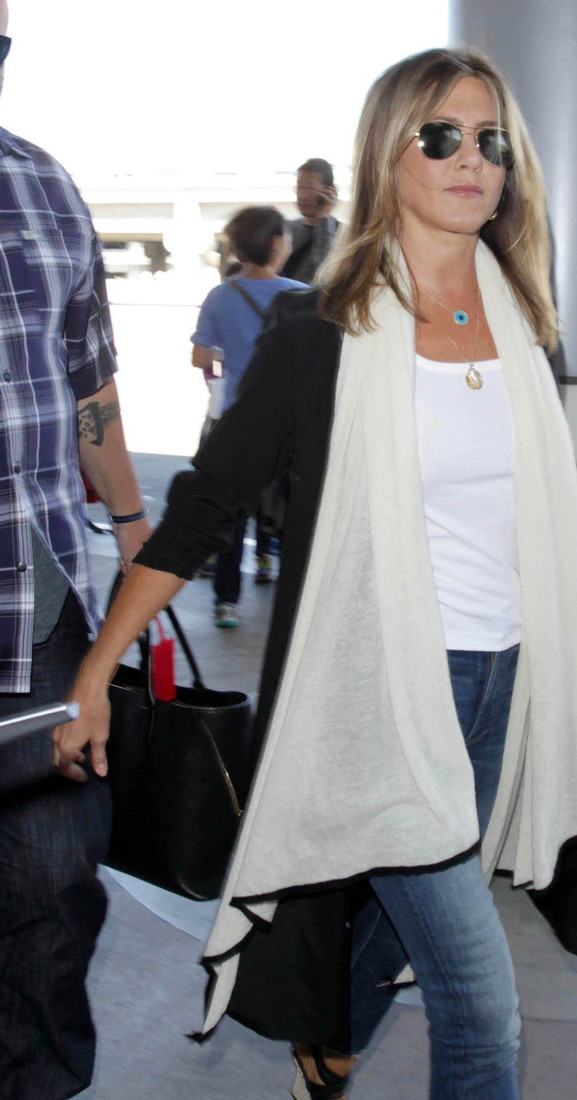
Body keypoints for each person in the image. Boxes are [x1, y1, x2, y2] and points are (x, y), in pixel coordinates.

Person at [55, 47, 577, 1100]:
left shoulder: (528, 322)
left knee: (407, 923)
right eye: (441, 136)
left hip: (507, 681)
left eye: (490, 139)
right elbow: (208, 506)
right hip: (387, 690)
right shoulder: (321, 333)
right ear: (387, 153)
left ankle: (329, 1036)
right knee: (479, 1002)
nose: (472, 159)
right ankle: (344, 1033)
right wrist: (97, 670)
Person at [0, 4, 152, 1097]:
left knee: (55, 886)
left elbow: (90, 382)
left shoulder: (46, 185)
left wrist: (136, 529)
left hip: (42, 605)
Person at [190, 206, 305, 624]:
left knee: (233, 512)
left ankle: (226, 601)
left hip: (236, 419)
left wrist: (234, 353)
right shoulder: (301, 296)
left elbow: (200, 357)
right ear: (275, 243)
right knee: (292, 513)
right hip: (287, 421)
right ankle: (293, 602)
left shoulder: (220, 296)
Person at [282, 156, 340, 284]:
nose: (302, 196)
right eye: (300, 187)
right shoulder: (287, 230)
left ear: (329, 192)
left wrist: (324, 219)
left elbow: (320, 273)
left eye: (310, 188)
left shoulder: (343, 233)